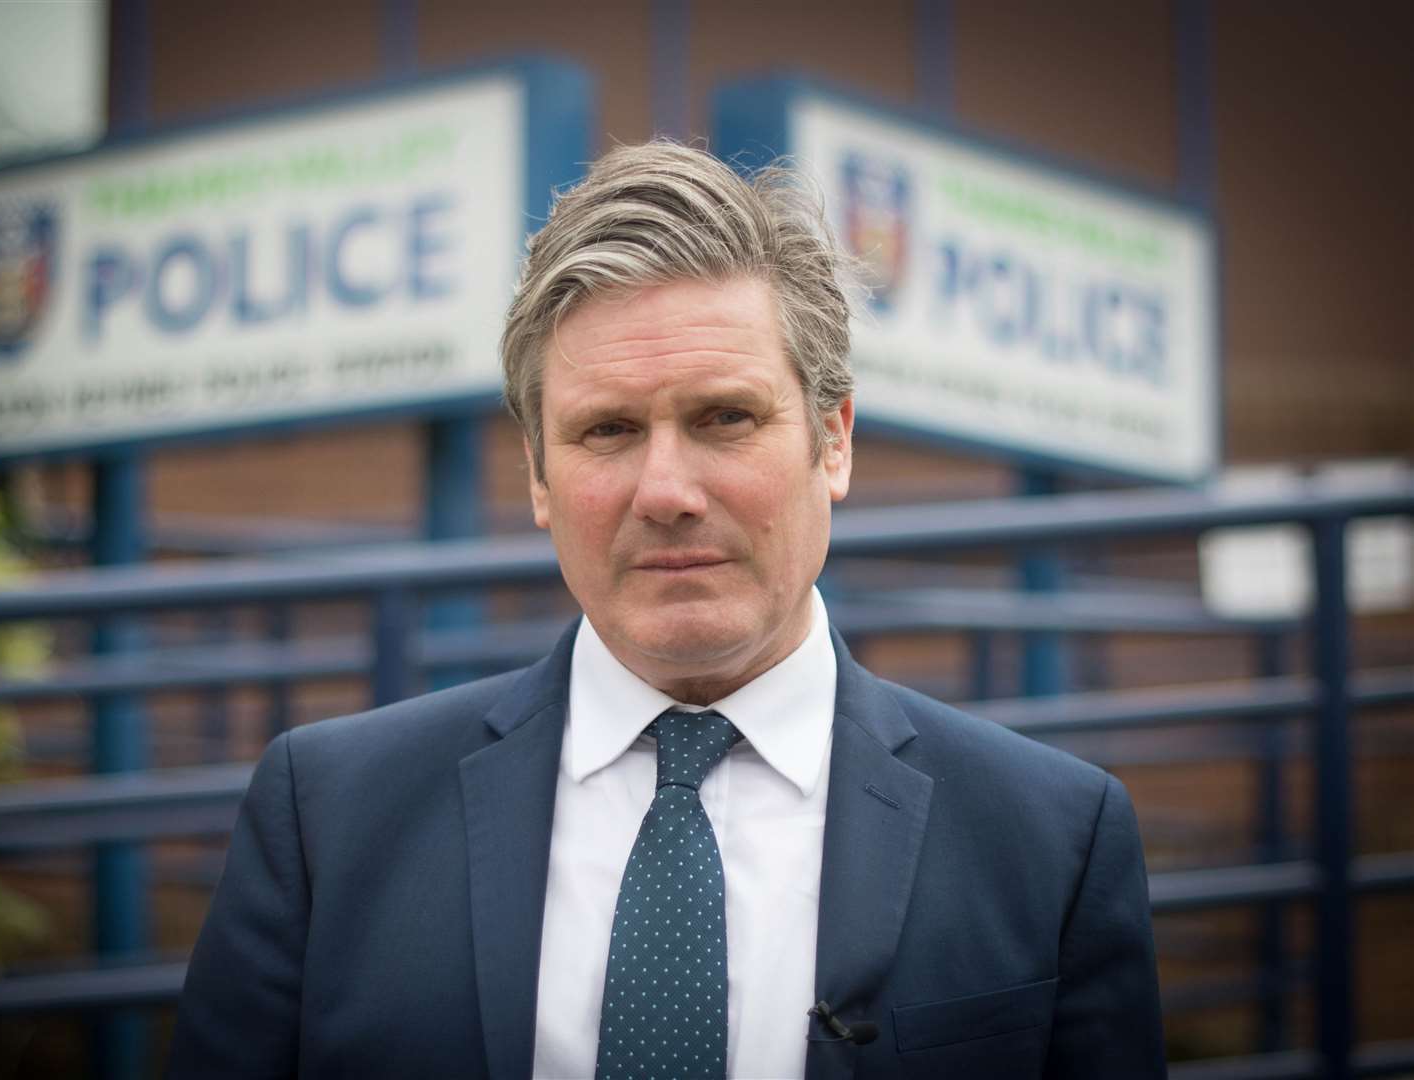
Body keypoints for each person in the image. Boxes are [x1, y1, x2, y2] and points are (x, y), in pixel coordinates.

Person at [165, 142, 1165, 1079]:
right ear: (539, 479)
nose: (666, 490)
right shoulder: (328, 819)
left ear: (834, 439)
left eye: (724, 417)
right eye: (606, 430)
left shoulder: (1050, 839)